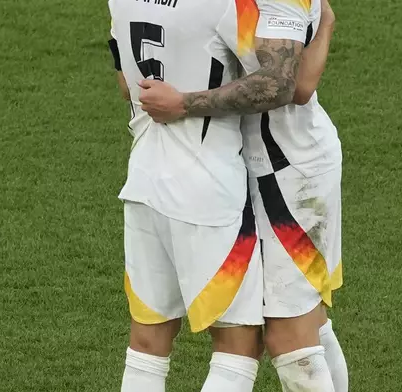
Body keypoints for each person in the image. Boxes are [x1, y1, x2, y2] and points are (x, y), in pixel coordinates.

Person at [136, 0, 349, 391]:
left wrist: (183, 103)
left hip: (289, 174)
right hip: (248, 167)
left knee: (290, 340)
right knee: (309, 322)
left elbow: (294, 87)